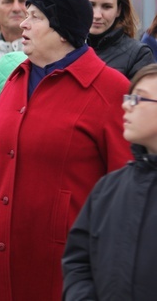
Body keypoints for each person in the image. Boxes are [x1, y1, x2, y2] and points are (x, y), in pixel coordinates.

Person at [0, 0, 134, 301]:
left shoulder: (109, 90)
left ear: (63, 30)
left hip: (64, 265)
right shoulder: (16, 78)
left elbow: (126, 188)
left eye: (35, 17)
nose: (23, 24)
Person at [62, 64, 157, 300]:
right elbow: (78, 262)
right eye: (129, 97)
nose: (126, 105)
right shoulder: (109, 188)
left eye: (139, 99)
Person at [78, 0, 153, 79]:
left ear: (119, 10)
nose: (97, 15)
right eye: (90, 5)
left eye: (106, 6)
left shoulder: (139, 55)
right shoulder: (62, 48)